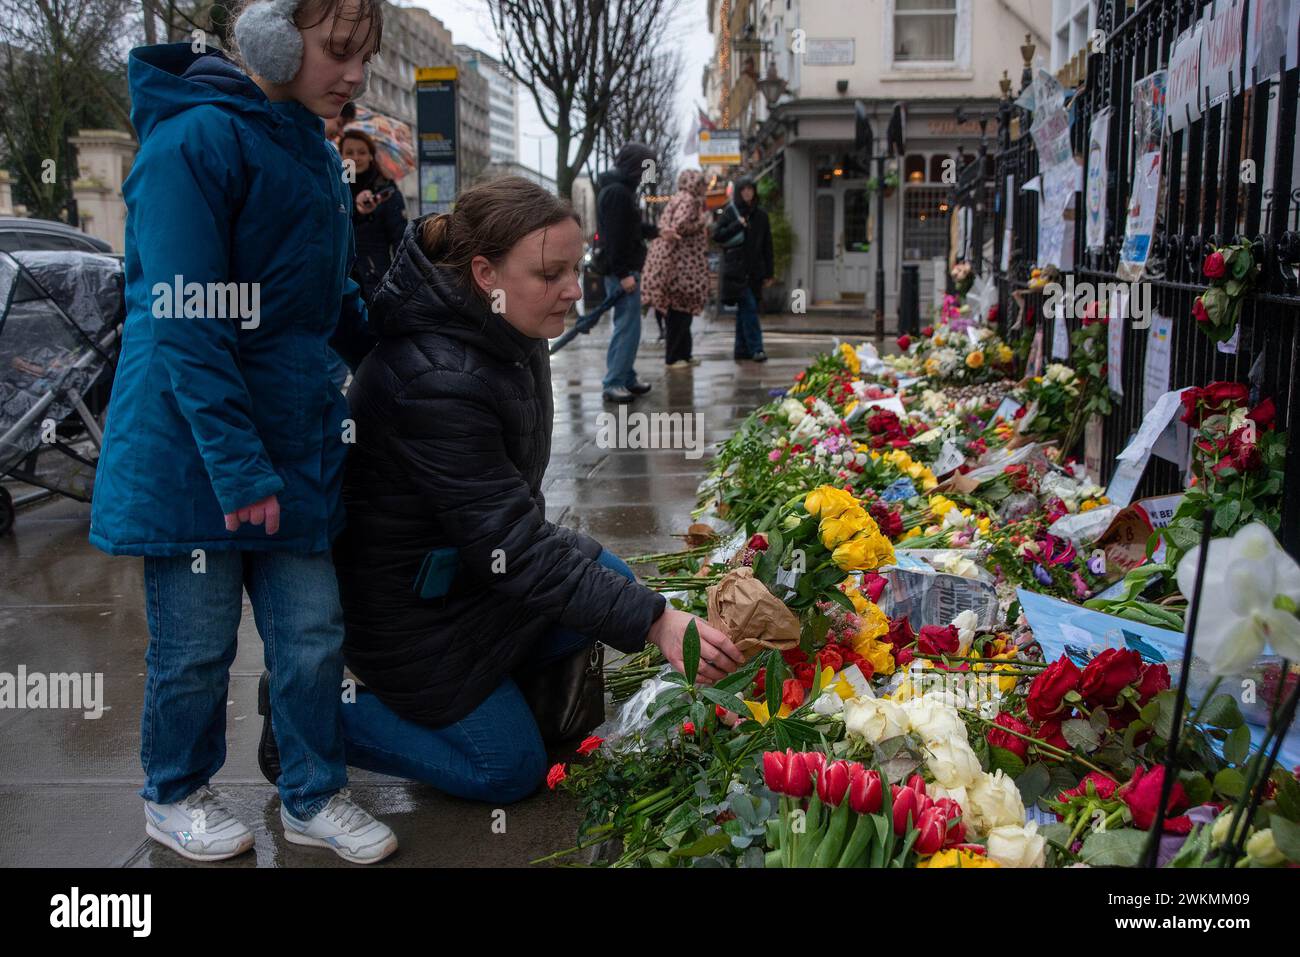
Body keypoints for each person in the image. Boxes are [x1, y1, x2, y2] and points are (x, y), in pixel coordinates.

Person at [87, 0, 395, 865]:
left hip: (287, 441)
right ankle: (174, 791)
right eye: (339, 51)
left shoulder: (308, 145)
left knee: (312, 636)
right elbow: (184, 321)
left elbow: (323, 299)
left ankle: (312, 793)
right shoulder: (193, 144)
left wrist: (396, 327)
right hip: (196, 456)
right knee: (195, 648)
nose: (356, 76)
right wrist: (239, 467)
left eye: (364, 57)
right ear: (271, 39)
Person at [322, 176, 743, 802]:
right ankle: (316, 716)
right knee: (509, 771)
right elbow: (515, 547)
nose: (574, 290)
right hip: (412, 622)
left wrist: (646, 614)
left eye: (576, 269)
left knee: (620, 585)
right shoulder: (436, 378)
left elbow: (508, 528)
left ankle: (508, 681)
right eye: (551, 274)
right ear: (485, 273)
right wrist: (657, 624)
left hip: (471, 581)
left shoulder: (508, 334)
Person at [595, 142, 659, 403]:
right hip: (623, 271)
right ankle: (615, 381)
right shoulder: (618, 193)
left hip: (625, 269)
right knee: (627, 327)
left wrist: (655, 231)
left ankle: (625, 376)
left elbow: (629, 229)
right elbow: (615, 238)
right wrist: (623, 273)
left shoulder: (620, 191)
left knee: (629, 326)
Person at [641, 169, 711, 368]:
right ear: (695, 184)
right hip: (682, 265)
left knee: (682, 311)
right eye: (702, 184)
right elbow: (679, 226)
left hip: (680, 263)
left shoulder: (680, 197)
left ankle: (684, 355)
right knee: (679, 311)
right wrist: (701, 222)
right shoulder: (689, 200)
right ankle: (674, 357)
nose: (705, 188)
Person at [340, 128, 407, 301]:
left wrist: (399, 279)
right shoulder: (335, 188)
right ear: (340, 156)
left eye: (362, 152)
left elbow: (400, 239)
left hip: (375, 278)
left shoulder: (386, 191)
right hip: (339, 277)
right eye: (349, 152)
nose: (355, 158)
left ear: (371, 156)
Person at [713, 176, 774, 362]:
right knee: (749, 307)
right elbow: (717, 236)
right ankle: (756, 348)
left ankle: (741, 349)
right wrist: (737, 225)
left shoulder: (761, 216)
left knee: (744, 310)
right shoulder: (731, 213)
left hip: (755, 270)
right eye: (744, 189)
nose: (748, 193)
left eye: (751, 189)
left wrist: (769, 273)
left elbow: (767, 245)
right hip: (736, 270)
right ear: (739, 192)